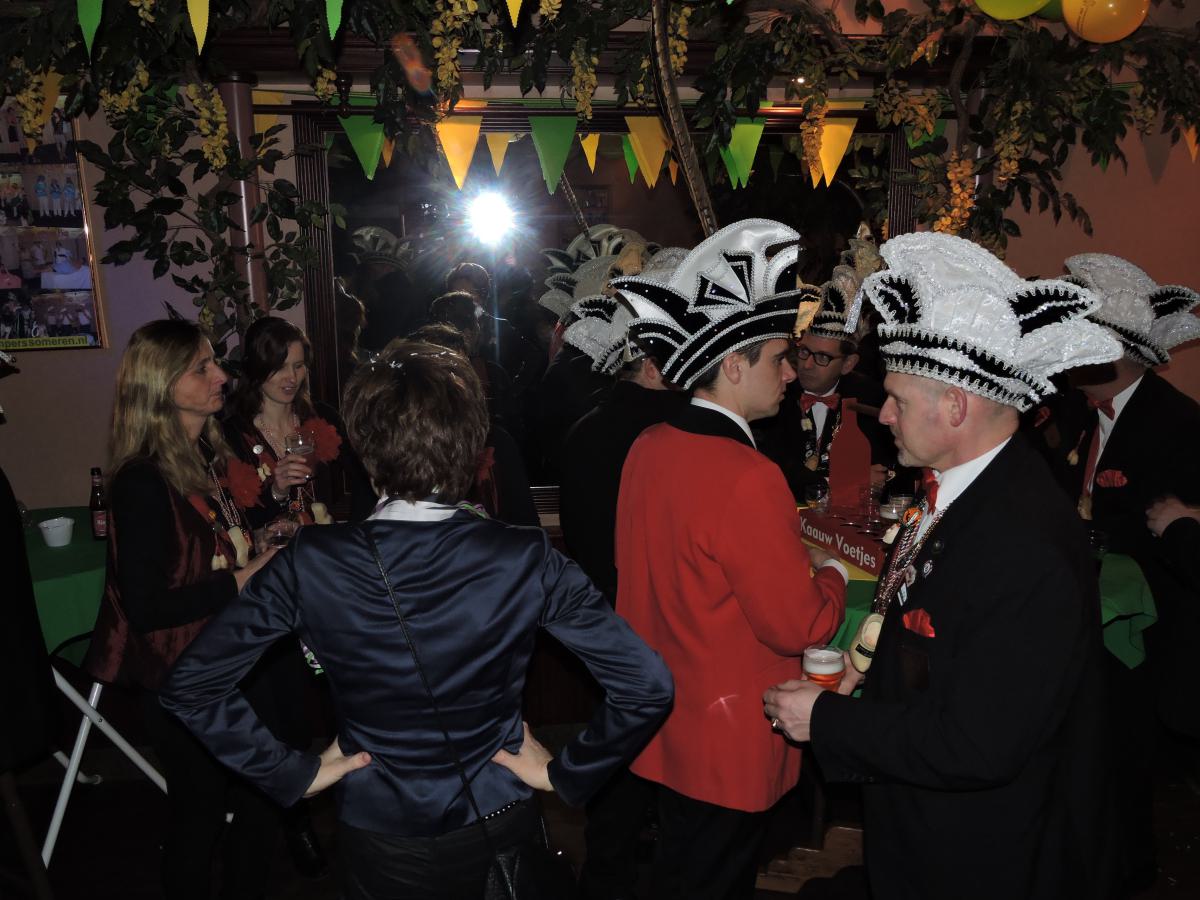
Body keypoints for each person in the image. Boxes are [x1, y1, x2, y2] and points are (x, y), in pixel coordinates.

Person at [159, 340, 674, 899]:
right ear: (471, 445)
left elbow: (193, 685)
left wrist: (291, 773)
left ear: (365, 448)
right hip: (496, 809)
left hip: (378, 824)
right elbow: (646, 683)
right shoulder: (524, 556)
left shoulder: (311, 560)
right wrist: (564, 773)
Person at [762, 232, 1123, 900]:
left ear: (956, 407)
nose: (884, 414)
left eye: (898, 399)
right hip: (926, 826)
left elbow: (981, 743)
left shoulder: (1022, 541)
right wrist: (863, 672)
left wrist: (829, 721)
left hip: (982, 853)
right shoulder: (960, 493)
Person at [611, 219, 848, 900]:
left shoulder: (649, 445)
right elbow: (797, 624)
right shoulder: (748, 474)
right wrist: (832, 575)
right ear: (734, 366)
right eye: (778, 357)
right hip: (729, 734)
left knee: (682, 872)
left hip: (665, 717)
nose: (790, 372)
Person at [82, 319, 281, 900]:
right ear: (162, 385)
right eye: (202, 367)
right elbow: (146, 608)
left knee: (256, 803)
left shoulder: (207, 457)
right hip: (182, 678)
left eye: (214, 362)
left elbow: (202, 555)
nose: (221, 375)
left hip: (228, 662)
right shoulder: (141, 481)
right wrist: (241, 579)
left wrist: (259, 544)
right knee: (199, 815)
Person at [1024, 253, 1200, 889]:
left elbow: (1174, 533)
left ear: (1114, 352)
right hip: (1077, 611)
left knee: (1123, 760)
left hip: (1143, 629)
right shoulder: (1071, 412)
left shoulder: (1178, 424)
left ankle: (1127, 873)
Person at [556, 251, 688, 900]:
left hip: (605, 621)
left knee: (619, 754)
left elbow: (584, 542)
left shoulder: (588, 428)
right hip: (670, 620)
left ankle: (606, 873)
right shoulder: (682, 431)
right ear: (655, 364)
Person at [752, 271, 912, 503]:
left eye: (822, 357)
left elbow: (889, 470)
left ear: (848, 364)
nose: (806, 365)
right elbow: (773, 468)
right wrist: (845, 483)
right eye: (804, 351)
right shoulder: (775, 392)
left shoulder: (871, 399)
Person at [222, 315, 374, 530]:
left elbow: (365, 479)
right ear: (257, 368)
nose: (292, 378)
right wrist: (277, 491)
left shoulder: (322, 417)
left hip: (324, 546)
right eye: (280, 367)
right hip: (272, 549)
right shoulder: (235, 433)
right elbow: (239, 521)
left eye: (299, 366)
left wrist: (353, 533)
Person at [405, 322, 539, 526]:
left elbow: (526, 524)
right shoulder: (392, 447)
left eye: (462, 371)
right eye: (443, 374)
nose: (458, 383)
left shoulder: (495, 442)